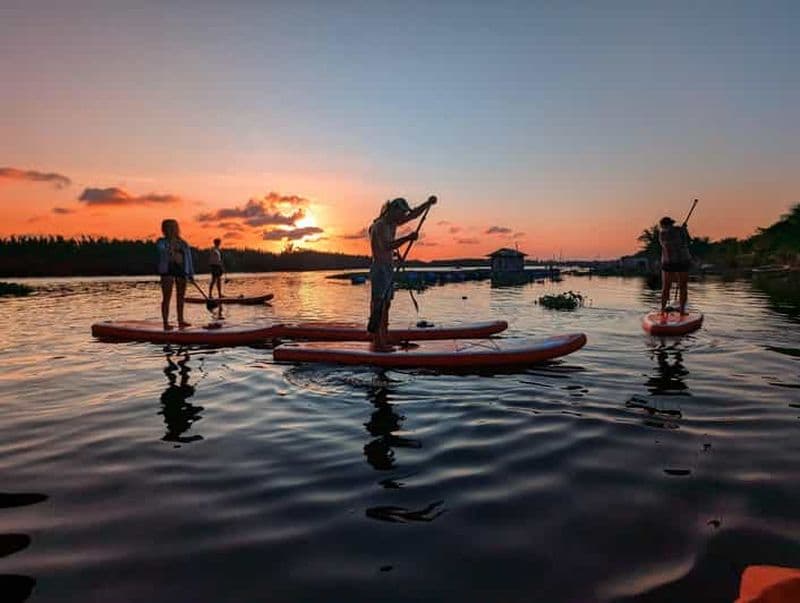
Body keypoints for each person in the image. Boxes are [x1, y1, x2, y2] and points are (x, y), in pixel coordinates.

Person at [368, 195, 437, 351]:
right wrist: (408, 237)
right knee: (379, 304)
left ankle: (384, 337)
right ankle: (378, 343)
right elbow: (386, 246)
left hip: (388, 268)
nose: (403, 216)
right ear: (392, 210)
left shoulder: (392, 222)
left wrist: (427, 204)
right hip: (379, 269)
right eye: (401, 213)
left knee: (387, 305)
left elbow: (412, 216)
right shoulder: (379, 226)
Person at [156, 218, 194, 330]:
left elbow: (189, 259)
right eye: (169, 227)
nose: (172, 229)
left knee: (181, 297)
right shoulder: (161, 242)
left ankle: (181, 320)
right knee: (167, 297)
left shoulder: (183, 243)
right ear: (164, 229)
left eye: (174, 227)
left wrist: (191, 273)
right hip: (167, 271)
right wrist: (171, 247)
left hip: (182, 271)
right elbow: (161, 250)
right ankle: (165, 322)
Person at [658, 216, 691, 314]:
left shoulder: (662, 233)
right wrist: (684, 230)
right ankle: (681, 310)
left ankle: (663, 310)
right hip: (680, 261)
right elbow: (687, 241)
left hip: (670, 262)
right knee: (682, 287)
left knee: (666, 287)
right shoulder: (678, 231)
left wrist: (683, 229)